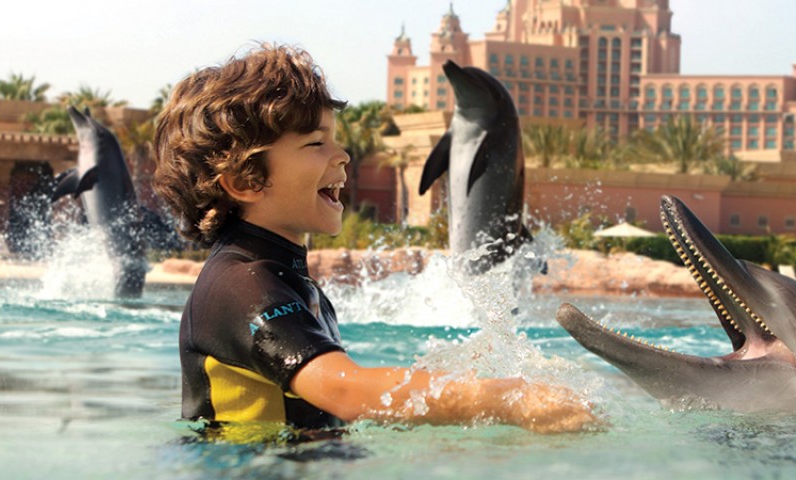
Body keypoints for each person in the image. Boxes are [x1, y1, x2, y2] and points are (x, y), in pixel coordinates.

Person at [152, 44, 595, 434]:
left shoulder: (287, 280)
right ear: (245, 181)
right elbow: (343, 391)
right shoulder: (241, 286)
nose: (343, 155)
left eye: (336, 140)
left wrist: (462, 375)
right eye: (314, 144)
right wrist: (504, 398)